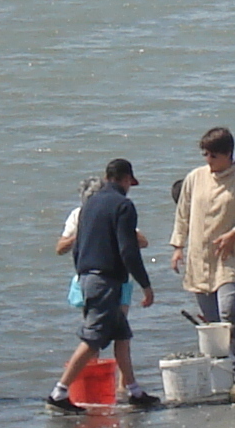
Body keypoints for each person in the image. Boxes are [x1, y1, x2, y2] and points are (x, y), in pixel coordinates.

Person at [50, 158, 160, 412]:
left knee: (122, 335)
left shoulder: (88, 206)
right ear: (124, 179)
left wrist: (83, 274)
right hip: (106, 279)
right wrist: (145, 285)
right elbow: (128, 250)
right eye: (129, 183)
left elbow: (77, 246)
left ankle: (133, 390)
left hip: (88, 276)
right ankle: (59, 392)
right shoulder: (123, 205)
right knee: (93, 338)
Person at [170, 125, 235, 400]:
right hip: (198, 257)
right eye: (205, 155)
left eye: (213, 156)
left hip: (229, 258)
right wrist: (178, 246)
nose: (208, 161)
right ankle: (220, 372)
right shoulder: (195, 178)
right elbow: (183, 214)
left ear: (227, 154)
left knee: (231, 307)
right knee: (211, 323)